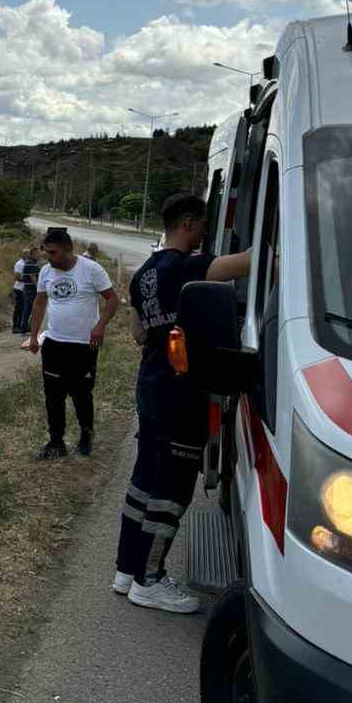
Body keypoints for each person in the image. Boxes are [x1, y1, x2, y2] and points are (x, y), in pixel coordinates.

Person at [114, 192, 251, 614]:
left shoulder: (144, 275)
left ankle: (127, 569)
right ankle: (149, 580)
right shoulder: (187, 268)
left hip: (152, 385)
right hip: (181, 392)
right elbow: (247, 263)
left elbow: (138, 333)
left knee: (144, 481)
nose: (205, 234)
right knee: (172, 490)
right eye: (204, 227)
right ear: (189, 224)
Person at [28, 227, 119, 458]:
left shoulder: (91, 269)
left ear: (68, 249)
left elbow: (112, 299)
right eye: (46, 252)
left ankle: (86, 433)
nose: (49, 257)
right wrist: (34, 336)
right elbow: (39, 304)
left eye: (54, 252)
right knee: (53, 395)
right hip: (54, 343)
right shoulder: (46, 272)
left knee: (81, 393)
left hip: (83, 345)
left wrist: (100, 326)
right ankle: (56, 442)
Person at [12, 244, 41, 333]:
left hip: (25, 288)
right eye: (27, 253)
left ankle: (24, 327)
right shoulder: (20, 264)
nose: (28, 255)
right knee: (21, 309)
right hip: (21, 289)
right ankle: (17, 327)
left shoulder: (28, 263)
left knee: (26, 309)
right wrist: (28, 280)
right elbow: (17, 277)